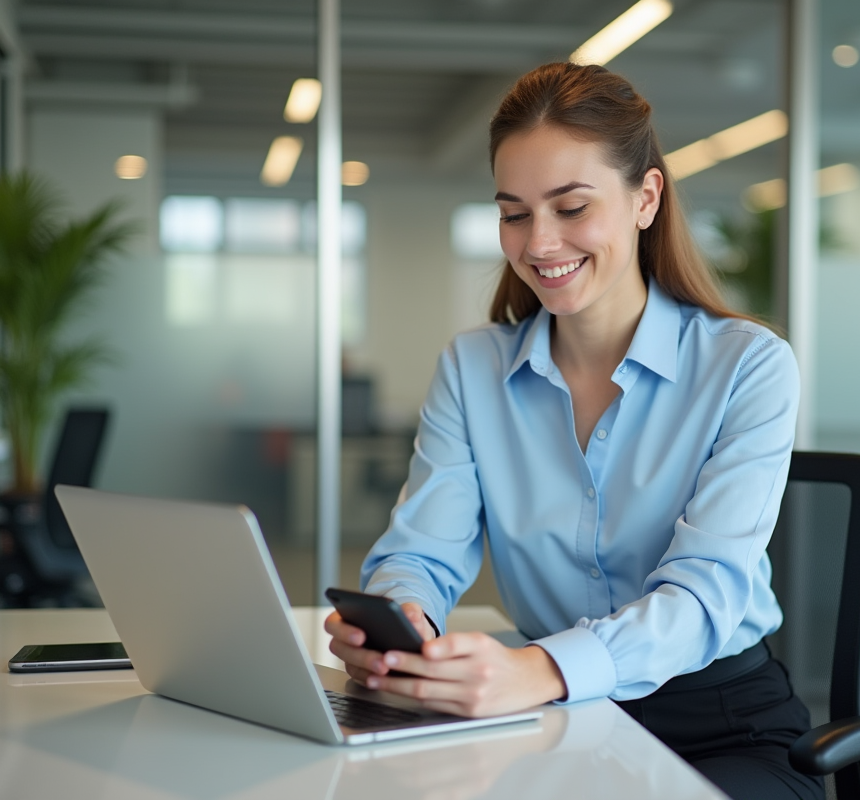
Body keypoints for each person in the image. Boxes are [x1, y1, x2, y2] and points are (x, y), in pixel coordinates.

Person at [324, 62, 822, 800]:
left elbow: (704, 594)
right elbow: (423, 550)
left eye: (571, 207)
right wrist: (398, 624)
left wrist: (542, 669)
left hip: (719, 724)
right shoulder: (472, 368)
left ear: (645, 198)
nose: (539, 243)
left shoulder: (747, 366)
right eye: (515, 213)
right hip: (552, 717)